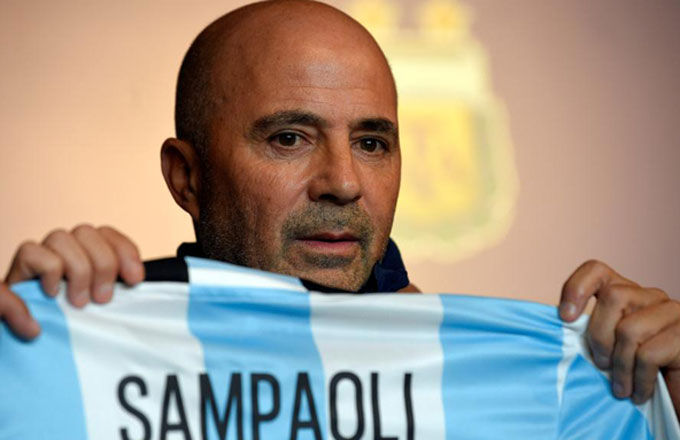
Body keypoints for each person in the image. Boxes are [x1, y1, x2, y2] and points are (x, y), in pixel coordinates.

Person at [1, 0, 679, 418]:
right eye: (289, 138)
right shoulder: (89, 343)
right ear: (187, 178)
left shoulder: (525, 385)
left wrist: (670, 398)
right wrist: (24, 358)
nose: (344, 183)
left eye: (372, 142)